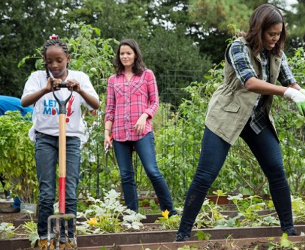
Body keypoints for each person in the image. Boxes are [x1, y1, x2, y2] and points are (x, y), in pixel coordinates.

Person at [175, 4, 305, 242]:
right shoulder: (238, 47)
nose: (275, 39)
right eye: (271, 34)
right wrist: (287, 93)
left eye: (279, 34)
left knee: (276, 170)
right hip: (226, 115)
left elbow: (289, 81)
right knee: (206, 175)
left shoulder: (277, 52)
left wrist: (302, 92)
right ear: (258, 30)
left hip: (256, 118)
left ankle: (289, 231)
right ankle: (183, 234)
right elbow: (249, 82)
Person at [21, 34, 100, 249]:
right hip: (45, 138)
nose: (54, 65)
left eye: (59, 60)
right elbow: (25, 101)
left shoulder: (80, 77)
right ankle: (45, 237)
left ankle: (68, 237)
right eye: (49, 61)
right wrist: (45, 89)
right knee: (47, 192)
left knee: (70, 190)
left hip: (72, 138)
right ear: (44, 61)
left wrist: (79, 90)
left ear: (68, 58)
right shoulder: (37, 78)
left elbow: (96, 105)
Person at [104, 39, 177, 216]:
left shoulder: (147, 75)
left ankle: (170, 212)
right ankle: (132, 215)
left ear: (135, 54)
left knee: (152, 171)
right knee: (126, 176)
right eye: (122, 53)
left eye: (128, 53)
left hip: (142, 131)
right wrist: (107, 133)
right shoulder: (113, 80)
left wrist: (145, 116)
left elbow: (155, 102)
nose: (125, 56)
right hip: (120, 133)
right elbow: (110, 109)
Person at [0, 95, 33, 212]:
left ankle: (21, 205)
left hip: (25, 122)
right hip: (22, 120)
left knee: (19, 166)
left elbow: (4, 127)